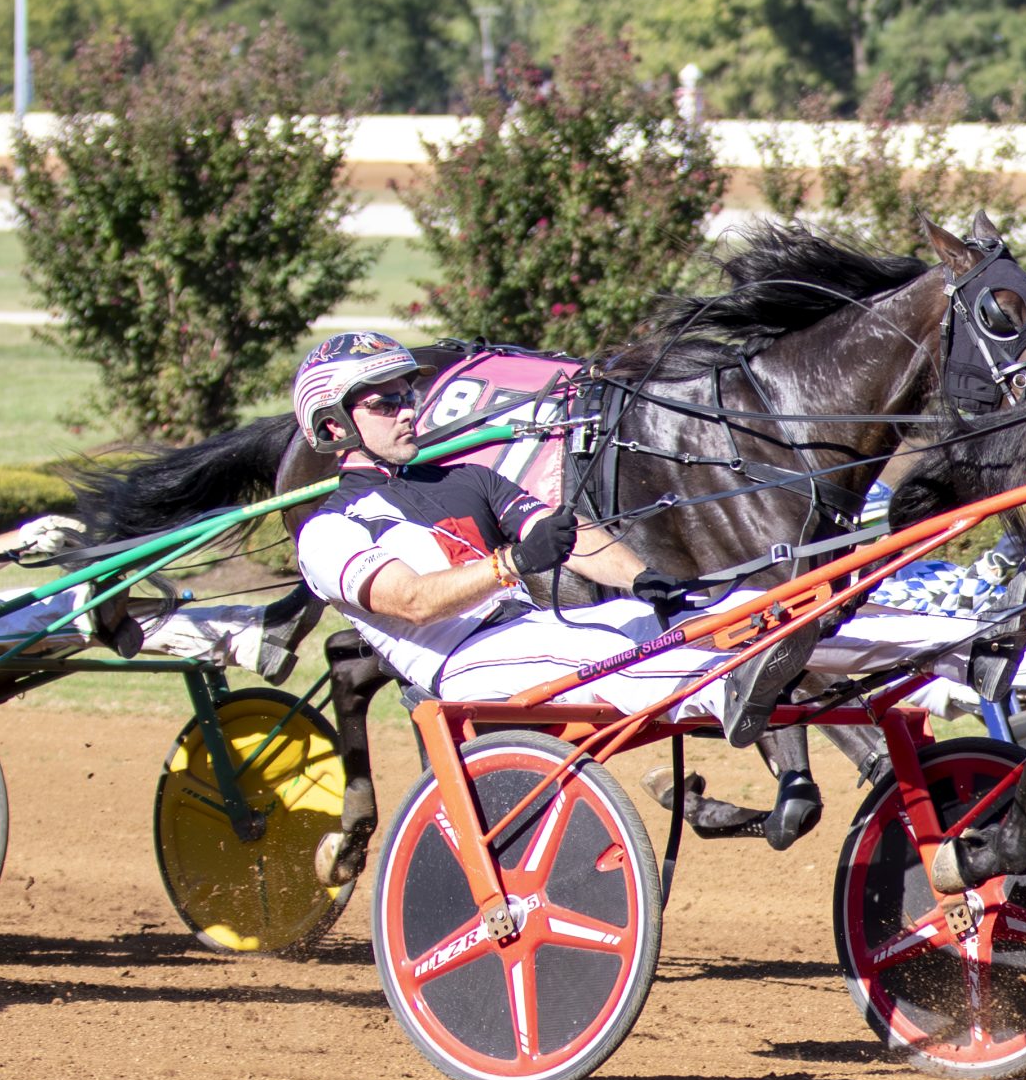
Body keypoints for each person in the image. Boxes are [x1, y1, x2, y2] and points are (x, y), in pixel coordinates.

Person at [286, 332, 794, 845]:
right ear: (333, 425)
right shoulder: (329, 530)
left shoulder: (466, 478)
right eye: (385, 402)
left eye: (408, 396)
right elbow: (413, 601)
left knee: (729, 610)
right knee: (604, 652)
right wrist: (511, 563)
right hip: (463, 658)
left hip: (532, 631)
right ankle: (729, 682)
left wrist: (640, 578)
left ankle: (846, 650)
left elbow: (566, 538)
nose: (407, 410)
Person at [0, 504, 304, 677]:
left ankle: (251, 635)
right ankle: (85, 608)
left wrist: (20, 540)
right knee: (52, 611)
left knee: (79, 608)